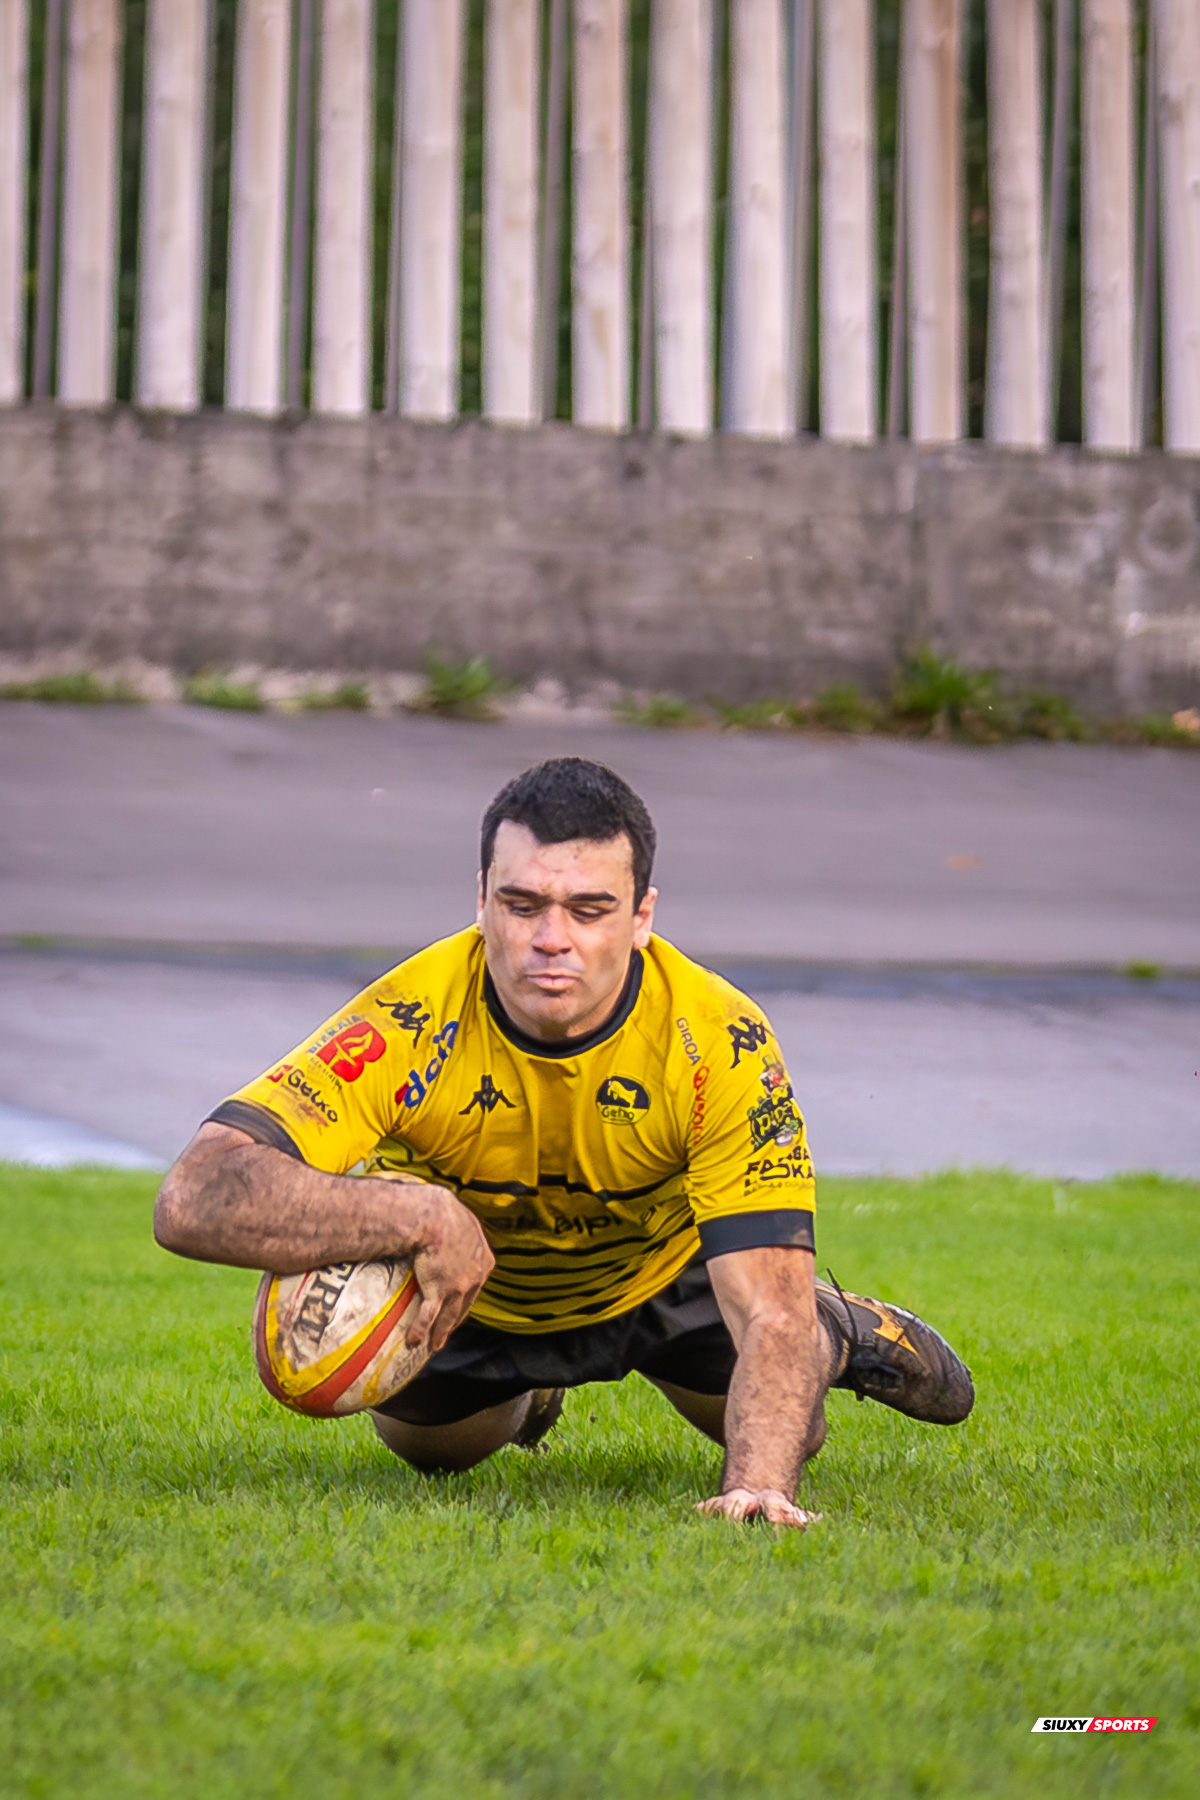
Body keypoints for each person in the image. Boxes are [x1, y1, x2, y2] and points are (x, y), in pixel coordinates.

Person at [154, 756, 972, 1529]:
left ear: (643, 916)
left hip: (659, 1277)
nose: (553, 937)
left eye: (589, 910)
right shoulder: (407, 1019)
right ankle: (533, 1390)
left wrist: (758, 1487)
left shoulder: (719, 1037)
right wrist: (419, 1216)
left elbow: (768, 1307)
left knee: (790, 1428)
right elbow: (194, 1197)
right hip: (468, 1292)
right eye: (523, 905)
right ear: (480, 900)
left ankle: (844, 1328)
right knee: (435, 1457)